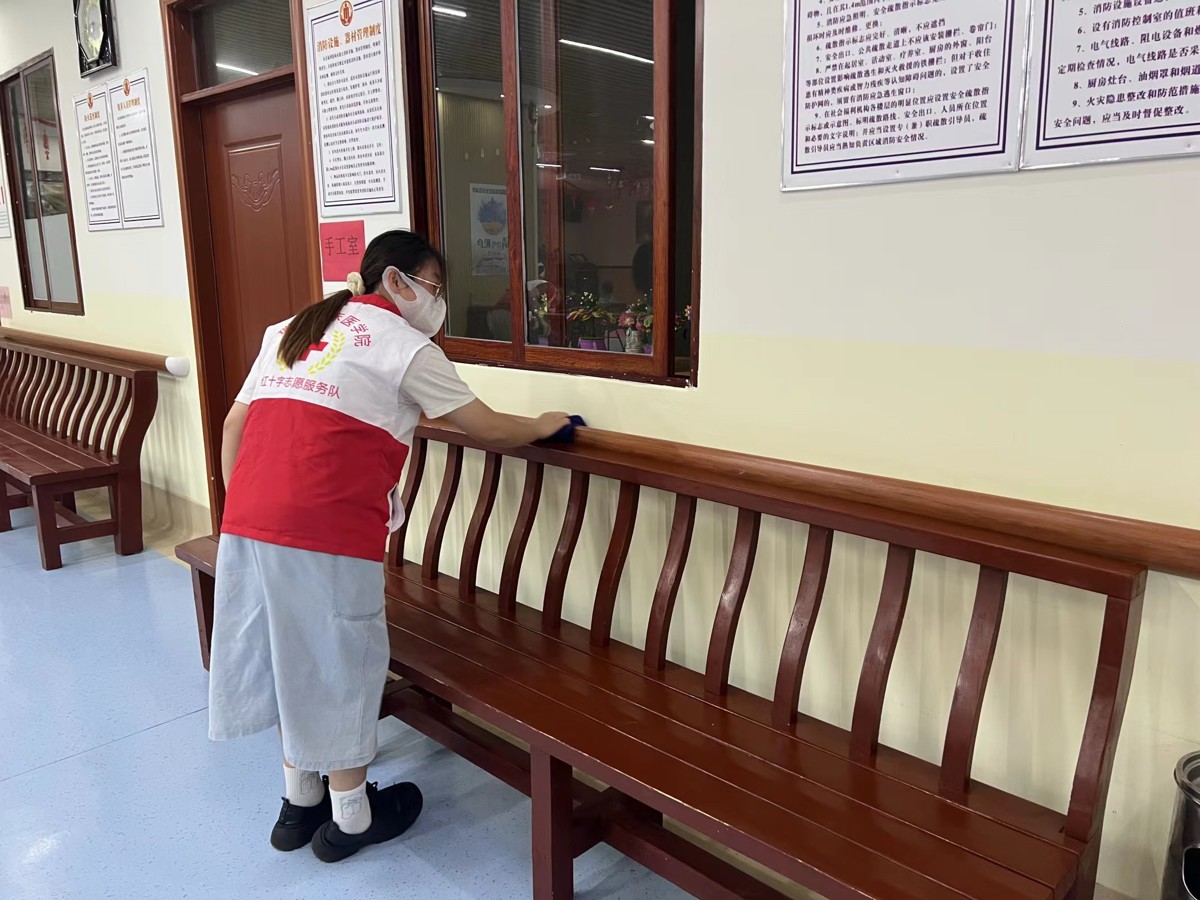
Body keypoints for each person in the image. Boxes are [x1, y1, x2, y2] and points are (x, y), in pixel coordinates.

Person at [210, 230, 569, 863]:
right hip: (326, 526)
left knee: (284, 650)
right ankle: (351, 817)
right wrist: (543, 424)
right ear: (396, 281)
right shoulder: (405, 346)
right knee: (337, 662)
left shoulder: (289, 329)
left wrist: (237, 510)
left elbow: (235, 423)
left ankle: (299, 802)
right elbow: (484, 425)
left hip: (248, 519)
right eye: (434, 287)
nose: (438, 301)